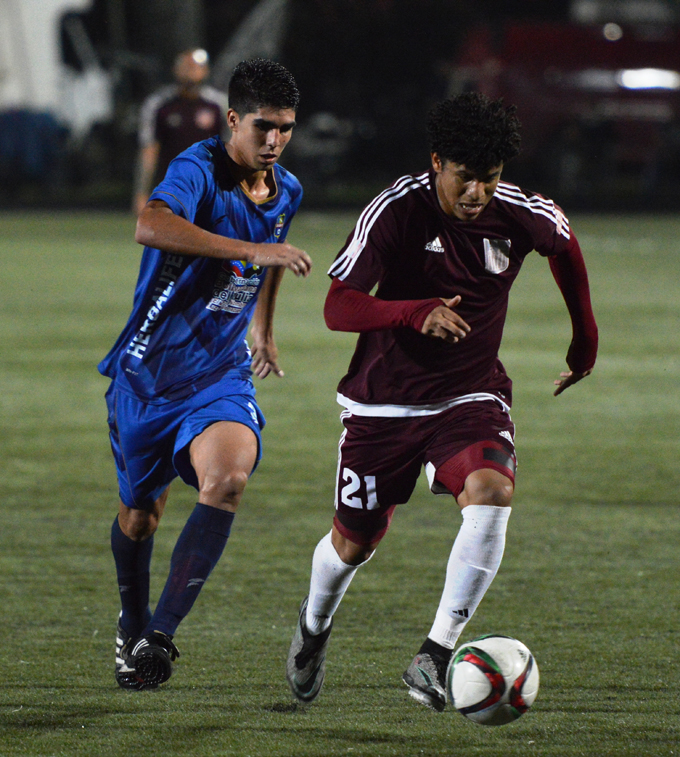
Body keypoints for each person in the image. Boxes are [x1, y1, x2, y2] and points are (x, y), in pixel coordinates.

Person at [286, 92, 598, 711]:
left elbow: (564, 245)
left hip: (470, 393)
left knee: (492, 491)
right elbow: (336, 305)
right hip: (384, 405)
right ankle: (313, 628)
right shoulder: (396, 210)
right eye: (465, 177)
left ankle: (434, 654)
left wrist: (584, 340)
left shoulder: (517, 213)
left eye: (490, 178)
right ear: (436, 162)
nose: (478, 192)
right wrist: (413, 312)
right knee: (353, 545)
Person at [99, 58, 311, 691]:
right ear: (232, 121)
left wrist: (262, 328)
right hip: (148, 373)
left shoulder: (286, 190)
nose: (274, 142)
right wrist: (248, 250)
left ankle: (160, 636)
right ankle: (132, 623)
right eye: (263, 128)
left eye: (286, 130)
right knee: (140, 516)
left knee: (228, 479)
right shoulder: (198, 169)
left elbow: (271, 257)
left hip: (219, 375)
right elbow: (150, 224)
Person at [132, 48, 229, 216]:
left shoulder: (219, 105)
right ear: (175, 69)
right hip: (171, 188)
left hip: (210, 187)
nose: (191, 70)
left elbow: (234, 148)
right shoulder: (159, 105)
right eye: (186, 66)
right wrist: (141, 192)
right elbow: (149, 151)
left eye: (196, 66)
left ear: (205, 71)